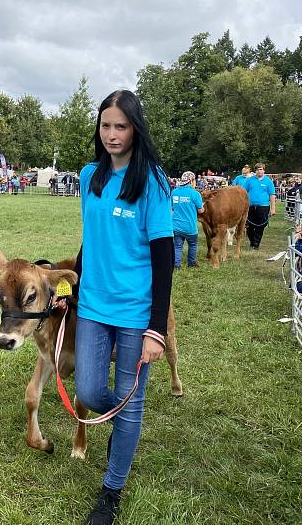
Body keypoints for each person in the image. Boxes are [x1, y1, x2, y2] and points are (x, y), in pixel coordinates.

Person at [73, 90, 173, 525]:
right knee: (90, 392)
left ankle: (111, 491)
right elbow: (90, 238)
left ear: (135, 129)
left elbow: (165, 258)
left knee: (131, 406)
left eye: (121, 126)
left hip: (136, 312)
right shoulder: (87, 176)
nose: (112, 134)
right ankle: (124, 428)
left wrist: (157, 329)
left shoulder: (152, 181)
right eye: (105, 125)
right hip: (93, 305)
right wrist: (71, 286)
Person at [172, 171, 204, 268]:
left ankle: (176, 265)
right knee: (193, 245)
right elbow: (201, 210)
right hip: (190, 227)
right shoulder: (195, 194)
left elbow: (171, 208)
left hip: (176, 226)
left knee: (177, 246)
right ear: (191, 181)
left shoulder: (174, 192)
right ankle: (191, 263)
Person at [242, 163, 276, 250]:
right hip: (250, 206)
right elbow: (243, 193)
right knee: (249, 225)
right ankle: (252, 241)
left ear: (264, 170)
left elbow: (272, 195)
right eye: (257, 169)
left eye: (261, 169)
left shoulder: (268, 181)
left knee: (260, 226)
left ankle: (256, 244)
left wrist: (273, 209)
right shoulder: (249, 180)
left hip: (263, 206)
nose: (259, 171)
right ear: (255, 171)